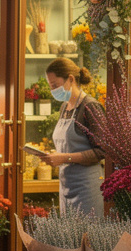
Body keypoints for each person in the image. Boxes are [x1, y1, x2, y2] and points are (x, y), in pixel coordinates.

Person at [40, 57, 105, 217]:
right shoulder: (65, 107)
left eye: (54, 85)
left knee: (88, 239)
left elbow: (102, 151)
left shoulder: (90, 107)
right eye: (50, 86)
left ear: (70, 79)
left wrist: (64, 158)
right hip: (67, 185)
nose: (53, 91)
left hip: (87, 187)